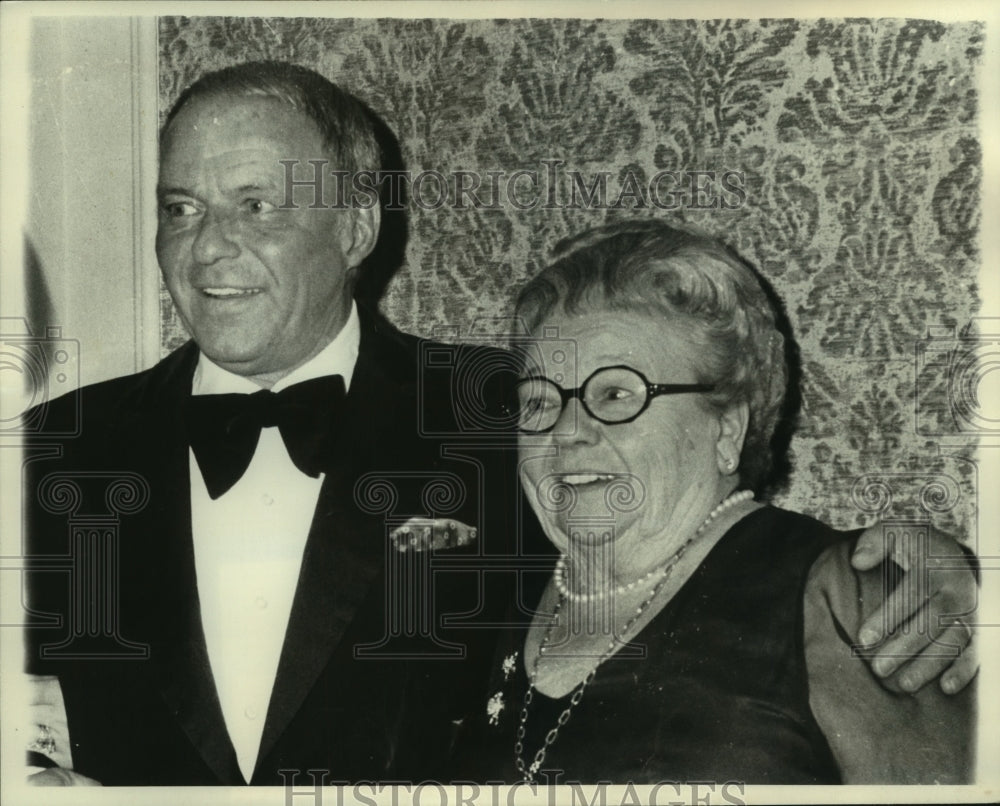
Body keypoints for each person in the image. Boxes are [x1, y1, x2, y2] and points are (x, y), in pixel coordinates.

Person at [21, 61, 975, 787]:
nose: (208, 244)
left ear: (356, 228)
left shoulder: (505, 416)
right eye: (180, 207)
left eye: (256, 204)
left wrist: (929, 568)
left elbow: (700, 555)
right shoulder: (45, 456)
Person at [462, 220, 976, 784]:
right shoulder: (478, 596)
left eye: (614, 393)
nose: (566, 432)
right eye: (538, 402)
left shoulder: (845, 597)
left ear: (728, 429)